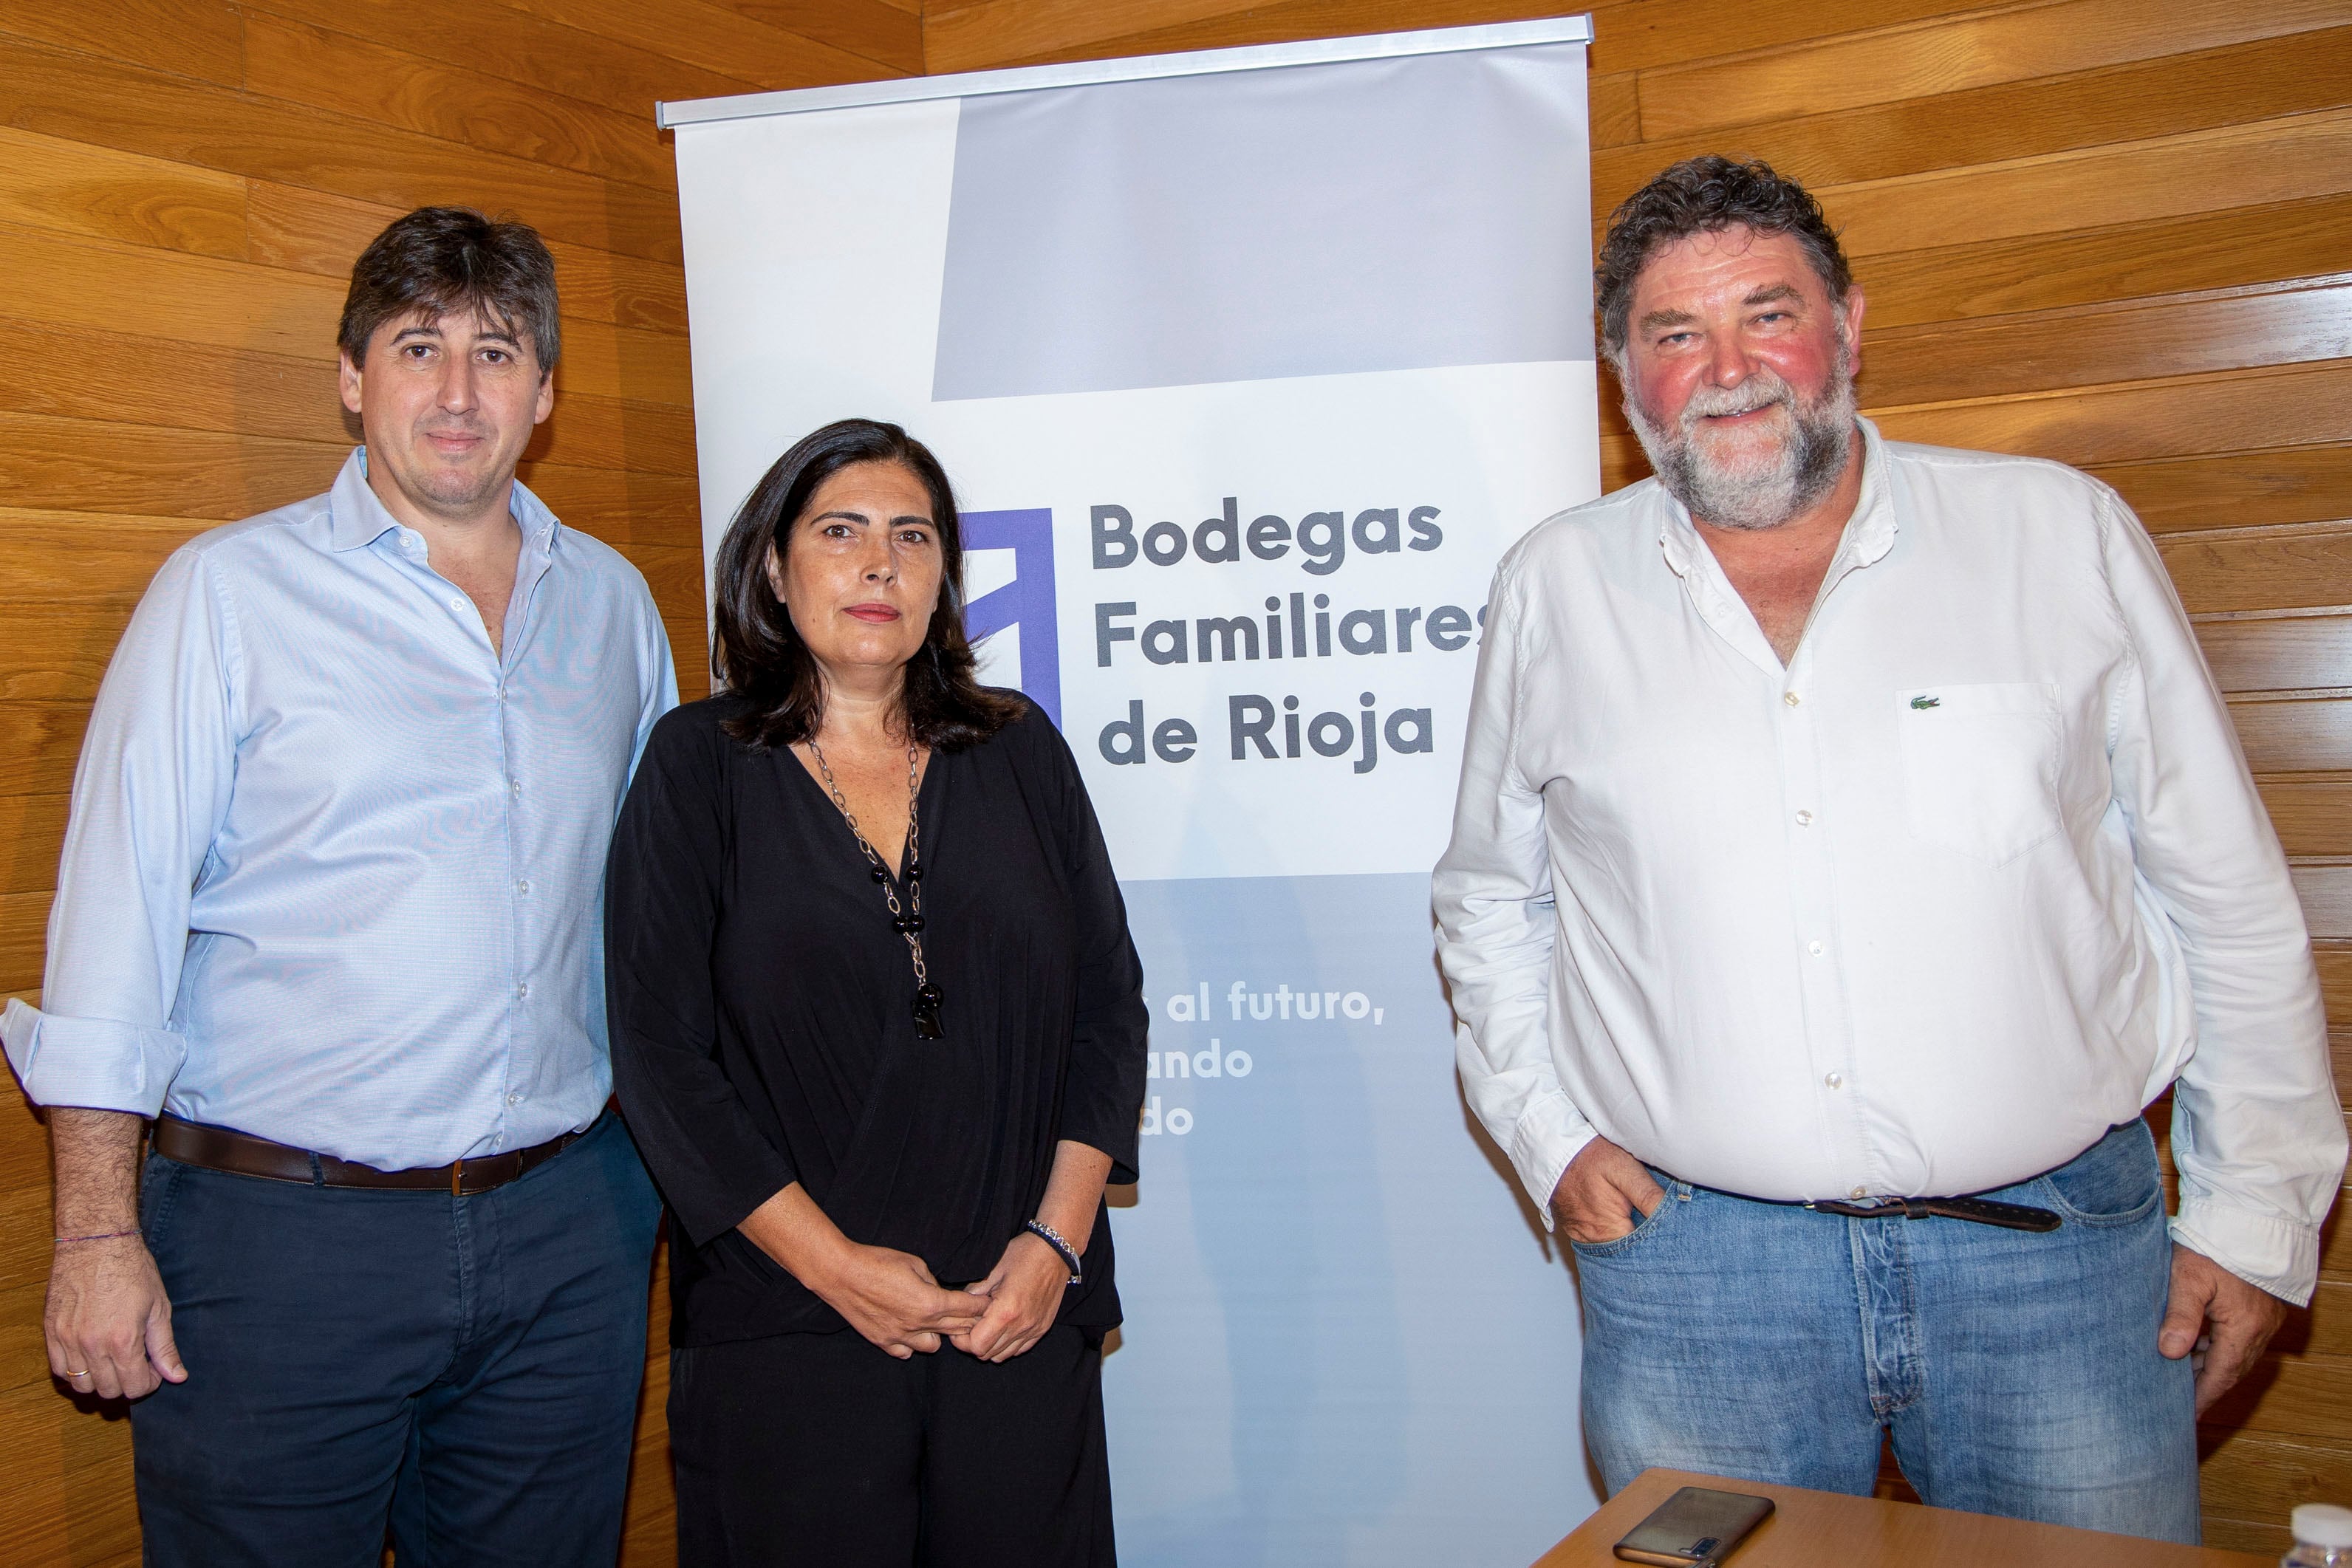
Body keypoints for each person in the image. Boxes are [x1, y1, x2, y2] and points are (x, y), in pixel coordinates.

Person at [1434, 157, 2345, 1543]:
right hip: (1696, 1281)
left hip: (2060, 1270)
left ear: (1848, 327)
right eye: (1676, 335)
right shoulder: (1555, 586)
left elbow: (2221, 892)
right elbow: (1494, 901)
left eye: (1767, 315)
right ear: (1625, 374)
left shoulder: (2058, 534)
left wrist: (2257, 1209)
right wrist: (1546, 1132)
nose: (1728, 370)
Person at [1, 207, 677, 1565]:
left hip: (567, 1230)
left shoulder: (613, 606)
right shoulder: (226, 596)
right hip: (281, 1250)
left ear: (545, 395)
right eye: (417, 346)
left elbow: (662, 905)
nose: (456, 390)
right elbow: (113, 928)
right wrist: (94, 1236)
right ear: (351, 377)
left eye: (496, 353)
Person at [606, 417, 1147, 1567]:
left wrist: (1058, 1244)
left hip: (1017, 1312)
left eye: (912, 536)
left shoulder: (1019, 750)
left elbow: (1110, 1006)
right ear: (773, 566)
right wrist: (837, 1269)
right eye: (840, 531)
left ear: (945, 578)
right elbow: (660, 1056)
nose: (879, 564)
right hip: (789, 1325)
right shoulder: (696, 766)